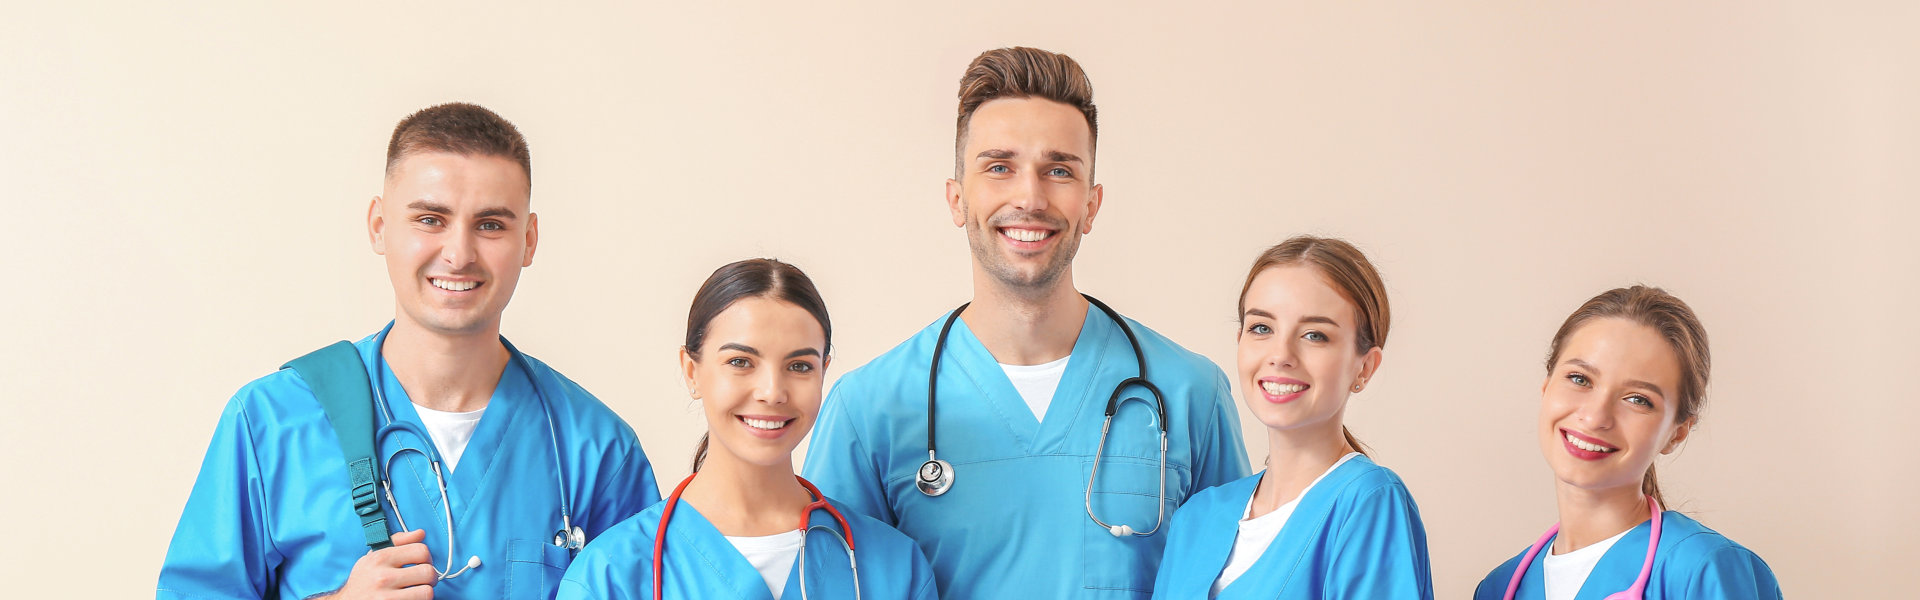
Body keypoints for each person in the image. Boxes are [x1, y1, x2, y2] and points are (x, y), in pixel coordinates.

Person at [158, 103, 661, 599]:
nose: (459, 254)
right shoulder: (272, 422)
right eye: (429, 219)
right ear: (379, 226)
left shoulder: (597, 451)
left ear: (528, 240)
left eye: (490, 225)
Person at [801, 47, 1250, 599]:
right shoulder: (869, 410)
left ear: (1092, 203)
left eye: (1059, 170)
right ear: (957, 198)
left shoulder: (1188, 394)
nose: (1030, 197)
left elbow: (1239, 580)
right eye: (999, 167)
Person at [557, 259, 937, 600]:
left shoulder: (893, 567)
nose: (772, 392)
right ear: (692, 372)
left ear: (825, 370)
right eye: (741, 361)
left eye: (800, 366)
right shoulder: (610, 576)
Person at [1151, 236, 1434, 599]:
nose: (1280, 355)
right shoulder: (1197, 517)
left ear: (1365, 367)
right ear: (1240, 340)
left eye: (1315, 335)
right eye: (1262, 329)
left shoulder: (1368, 502)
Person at [1473, 286, 1782, 600]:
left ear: (1677, 432)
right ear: (1546, 386)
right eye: (1580, 379)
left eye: (1638, 399)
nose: (1595, 417)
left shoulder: (1702, 570)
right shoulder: (1499, 588)